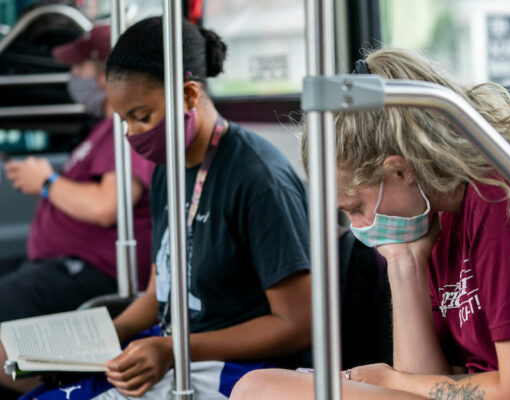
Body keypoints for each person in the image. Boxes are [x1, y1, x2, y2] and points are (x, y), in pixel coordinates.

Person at [231, 48, 510, 400]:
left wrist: (391, 380)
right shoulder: (433, 212)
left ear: (400, 170)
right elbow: (422, 377)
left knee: (258, 390)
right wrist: (403, 261)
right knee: (257, 387)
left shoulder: (508, 203)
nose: (359, 226)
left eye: (356, 207)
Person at [18, 16, 312, 400]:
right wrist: (102, 339)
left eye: (142, 117)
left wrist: (176, 350)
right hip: (171, 344)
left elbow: (297, 323)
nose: (132, 136)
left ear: (189, 96)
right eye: (124, 122)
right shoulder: (168, 171)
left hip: (234, 366)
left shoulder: (258, 179)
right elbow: (159, 293)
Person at [0, 23, 155, 394]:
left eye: (80, 68)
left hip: (93, 269)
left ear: (105, 74)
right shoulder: (102, 131)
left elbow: (108, 206)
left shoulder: (125, 131)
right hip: (62, 265)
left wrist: (47, 182)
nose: (73, 77)